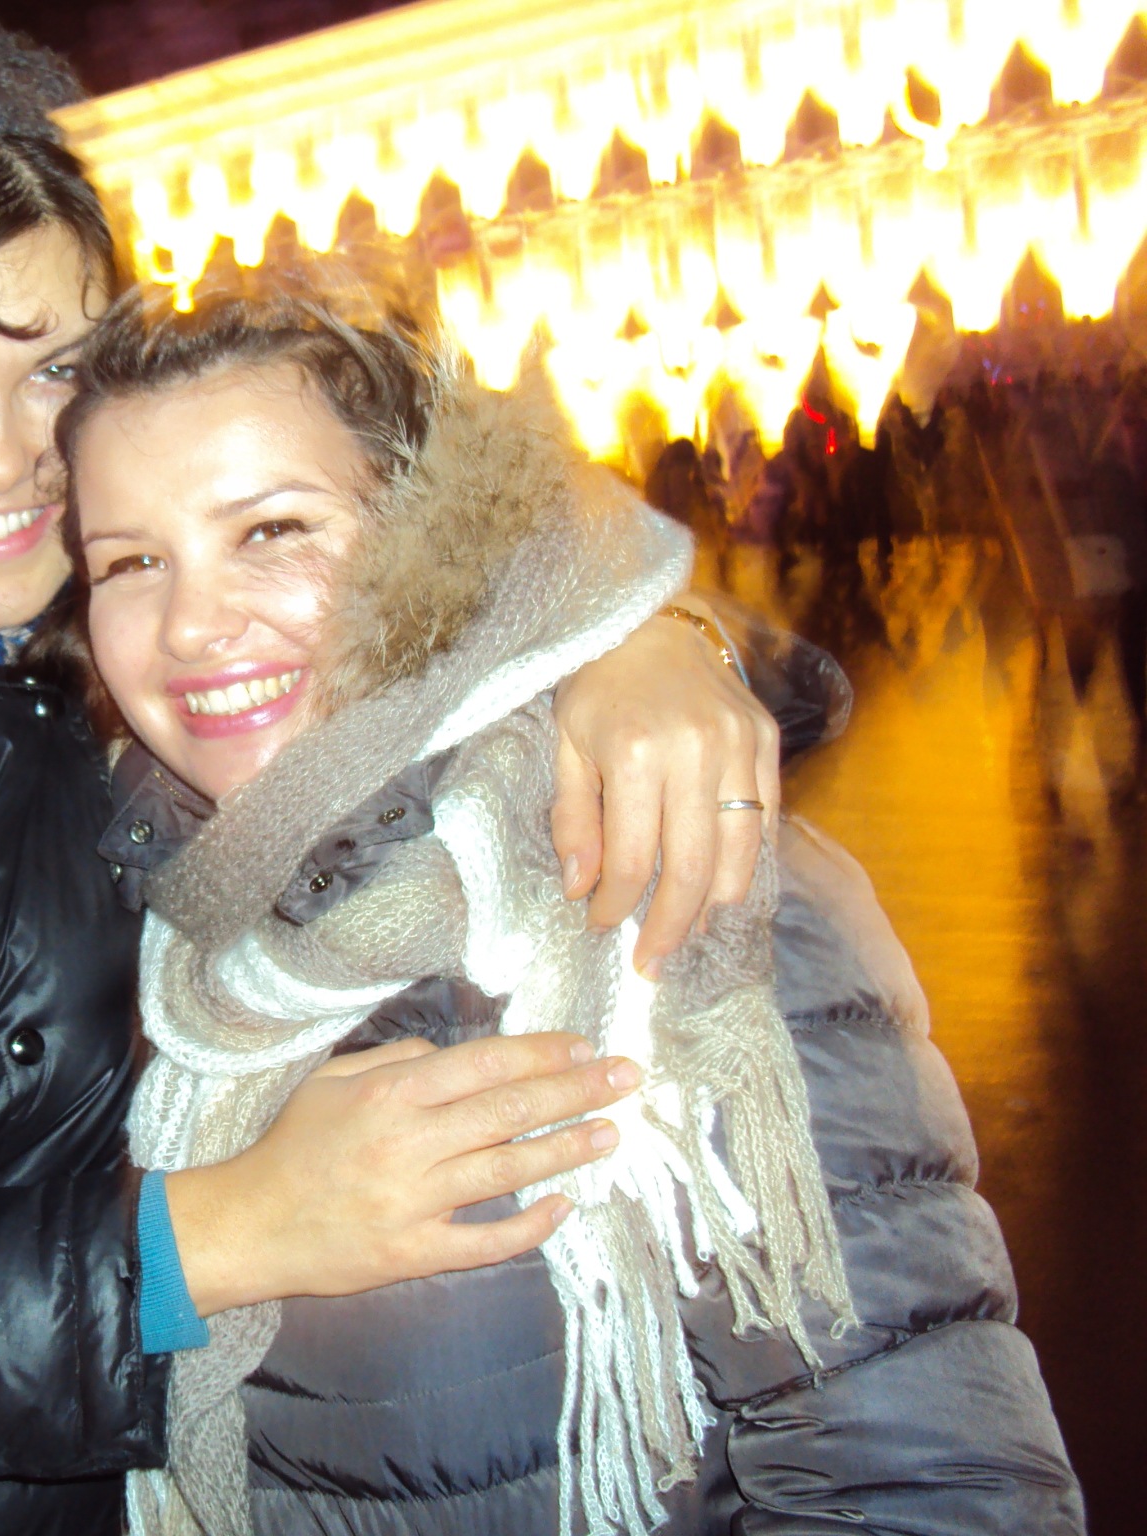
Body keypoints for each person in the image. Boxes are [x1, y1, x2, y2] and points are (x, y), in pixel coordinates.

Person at [0, 27, 835, 1533]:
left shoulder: (122, 636)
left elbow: (431, 556)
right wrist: (217, 1235)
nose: (2, 461)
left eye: (51, 369)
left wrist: (640, 640)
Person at [61, 263, 1082, 1533]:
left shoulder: (666, 875)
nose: (189, 626)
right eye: (130, 560)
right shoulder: (151, 928)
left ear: (427, 544)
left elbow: (918, 1480)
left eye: (271, 530)